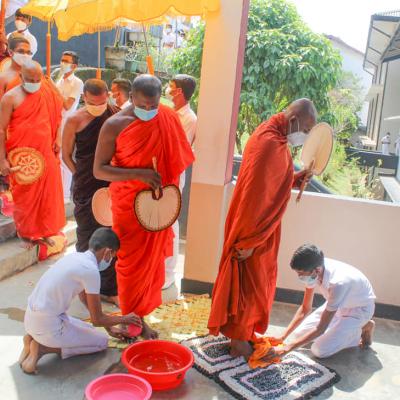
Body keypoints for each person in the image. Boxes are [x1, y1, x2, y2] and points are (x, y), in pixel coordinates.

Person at [208, 98, 317, 359]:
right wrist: (249, 242)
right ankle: (238, 342)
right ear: (293, 121)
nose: (305, 136)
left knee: (259, 283)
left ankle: (244, 334)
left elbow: (270, 185)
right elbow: (254, 199)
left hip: (262, 229)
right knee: (249, 285)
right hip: (253, 230)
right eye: (306, 128)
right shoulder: (271, 143)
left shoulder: (273, 135)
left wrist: (294, 178)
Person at [93, 74, 194, 338]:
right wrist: (139, 174)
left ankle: (141, 318)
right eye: (144, 106)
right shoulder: (115, 125)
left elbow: (176, 161)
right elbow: (99, 170)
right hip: (128, 205)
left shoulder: (168, 117)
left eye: (154, 105)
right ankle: (131, 320)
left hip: (156, 206)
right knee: (129, 264)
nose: (149, 111)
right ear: (133, 97)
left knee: (150, 266)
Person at [20, 228, 142, 374]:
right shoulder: (91, 270)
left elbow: (85, 298)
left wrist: (109, 327)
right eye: (113, 256)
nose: (110, 260)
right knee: (101, 342)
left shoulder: (75, 257)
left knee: (90, 329)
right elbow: (97, 319)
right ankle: (42, 349)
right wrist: (126, 319)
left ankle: (31, 339)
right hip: (48, 325)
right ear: (107, 252)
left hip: (32, 319)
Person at [264, 244, 376, 360]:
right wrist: (282, 337)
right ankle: (341, 329)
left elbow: (320, 328)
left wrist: (287, 348)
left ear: (317, 270)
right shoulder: (314, 269)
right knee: (298, 335)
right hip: (337, 305)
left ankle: (363, 327)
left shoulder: (338, 283)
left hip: (358, 310)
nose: (299, 276)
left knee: (319, 350)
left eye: (301, 274)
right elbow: (305, 308)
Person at [63, 79, 119, 305]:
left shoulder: (115, 114)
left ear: (108, 96)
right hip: (86, 184)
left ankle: (108, 288)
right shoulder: (75, 119)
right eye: (93, 103)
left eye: (102, 102)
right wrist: (80, 175)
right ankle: (84, 286)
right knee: (86, 237)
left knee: (110, 236)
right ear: (84, 98)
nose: (98, 107)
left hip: (110, 184)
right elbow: (66, 154)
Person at [0, 61, 65, 250]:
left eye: (38, 80)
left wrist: (58, 138)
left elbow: (58, 115)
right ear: (20, 77)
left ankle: (44, 231)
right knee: (25, 195)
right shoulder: (10, 98)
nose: (35, 84)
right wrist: (2, 159)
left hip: (46, 151)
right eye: (30, 80)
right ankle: (26, 233)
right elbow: (1, 130)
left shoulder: (46, 91)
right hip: (23, 157)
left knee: (48, 194)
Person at [163, 74, 197, 289]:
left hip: (174, 173)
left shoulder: (189, 119)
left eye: (172, 87)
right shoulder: (170, 112)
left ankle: (168, 272)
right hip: (159, 172)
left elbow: (178, 149)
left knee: (170, 222)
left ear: (180, 92)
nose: (168, 89)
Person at [56, 51, 84, 202]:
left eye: (66, 61)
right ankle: (58, 190)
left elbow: (67, 105)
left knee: (64, 158)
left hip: (67, 124)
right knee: (57, 158)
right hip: (55, 122)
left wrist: (53, 91)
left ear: (74, 66)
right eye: (62, 60)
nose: (62, 63)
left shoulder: (77, 82)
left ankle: (65, 195)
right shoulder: (59, 80)